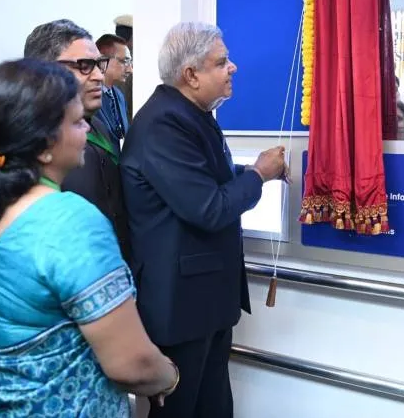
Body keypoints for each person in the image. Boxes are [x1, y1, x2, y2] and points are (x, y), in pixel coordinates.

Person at [0, 58, 179, 417]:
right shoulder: (68, 221)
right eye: (76, 121)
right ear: (43, 146)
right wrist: (168, 377)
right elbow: (131, 363)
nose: (87, 128)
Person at [121, 22, 287, 417]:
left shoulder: (192, 114)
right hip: (181, 307)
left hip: (203, 301)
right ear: (190, 74)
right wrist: (258, 174)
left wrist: (252, 172)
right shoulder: (164, 122)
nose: (233, 69)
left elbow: (204, 181)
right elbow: (209, 208)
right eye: (222, 62)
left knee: (213, 408)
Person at [24, 19, 130, 260]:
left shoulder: (100, 127)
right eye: (83, 66)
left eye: (98, 65)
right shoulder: (23, 141)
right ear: (42, 70)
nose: (98, 77)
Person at [95, 33, 132, 151]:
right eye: (124, 61)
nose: (130, 69)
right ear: (102, 61)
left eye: (130, 62)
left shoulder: (119, 96)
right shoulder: (86, 98)